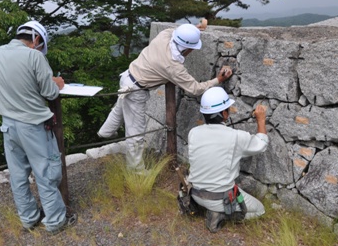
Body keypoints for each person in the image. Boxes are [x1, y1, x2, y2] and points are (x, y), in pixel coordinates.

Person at [97, 23, 232, 171]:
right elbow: (194, 88)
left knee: (120, 108)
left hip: (127, 77)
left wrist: (192, 30)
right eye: (192, 48)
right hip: (136, 91)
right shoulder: (172, 66)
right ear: (187, 48)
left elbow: (176, 31)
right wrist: (218, 80)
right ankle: (136, 171)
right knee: (135, 133)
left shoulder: (164, 36)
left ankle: (105, 132)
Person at [0, 20, 77, 234]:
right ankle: (55, 221)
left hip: (8, 125)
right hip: (33, 126)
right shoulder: (34, 56)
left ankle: (29, 218)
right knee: (45, 173)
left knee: (18, 175)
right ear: (36, 39)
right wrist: (58, 84)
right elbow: (49, 93)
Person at [187, 87, 269, 233]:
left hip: (195, 194)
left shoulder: (193, 133)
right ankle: (220, 214)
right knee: (260, 210)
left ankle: (207, 208)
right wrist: (261, 120)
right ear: (224, 113)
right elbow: (261, 144)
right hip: (218, 199)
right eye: (228, 109)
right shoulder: (236, 136)